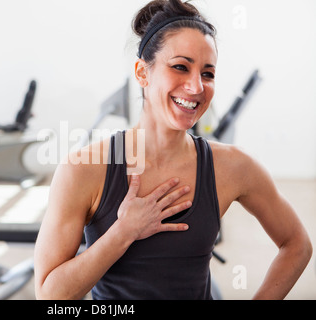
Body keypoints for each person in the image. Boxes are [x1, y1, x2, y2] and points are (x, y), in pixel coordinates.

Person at [34, 0, 312, 300]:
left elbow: (297, 244)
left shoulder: (234, 167)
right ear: (142, 72)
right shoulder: (83, 169)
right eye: (180, 67)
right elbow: (51, 297)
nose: (196, 87)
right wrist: (122, 232)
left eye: (207, 73)